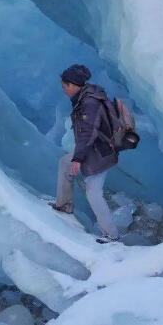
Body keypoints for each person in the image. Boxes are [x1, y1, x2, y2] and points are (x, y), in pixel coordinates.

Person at [50, 64, 120, 243]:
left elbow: (88, 132)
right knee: (64, 163)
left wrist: (78, 158)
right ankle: (64, 205)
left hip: (100, 152)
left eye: (64, 86)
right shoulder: (87, 96)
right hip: (95, 148)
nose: (63, 90)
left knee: (93, 192)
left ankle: (111, 235)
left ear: (72, 85)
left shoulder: (89, 102)